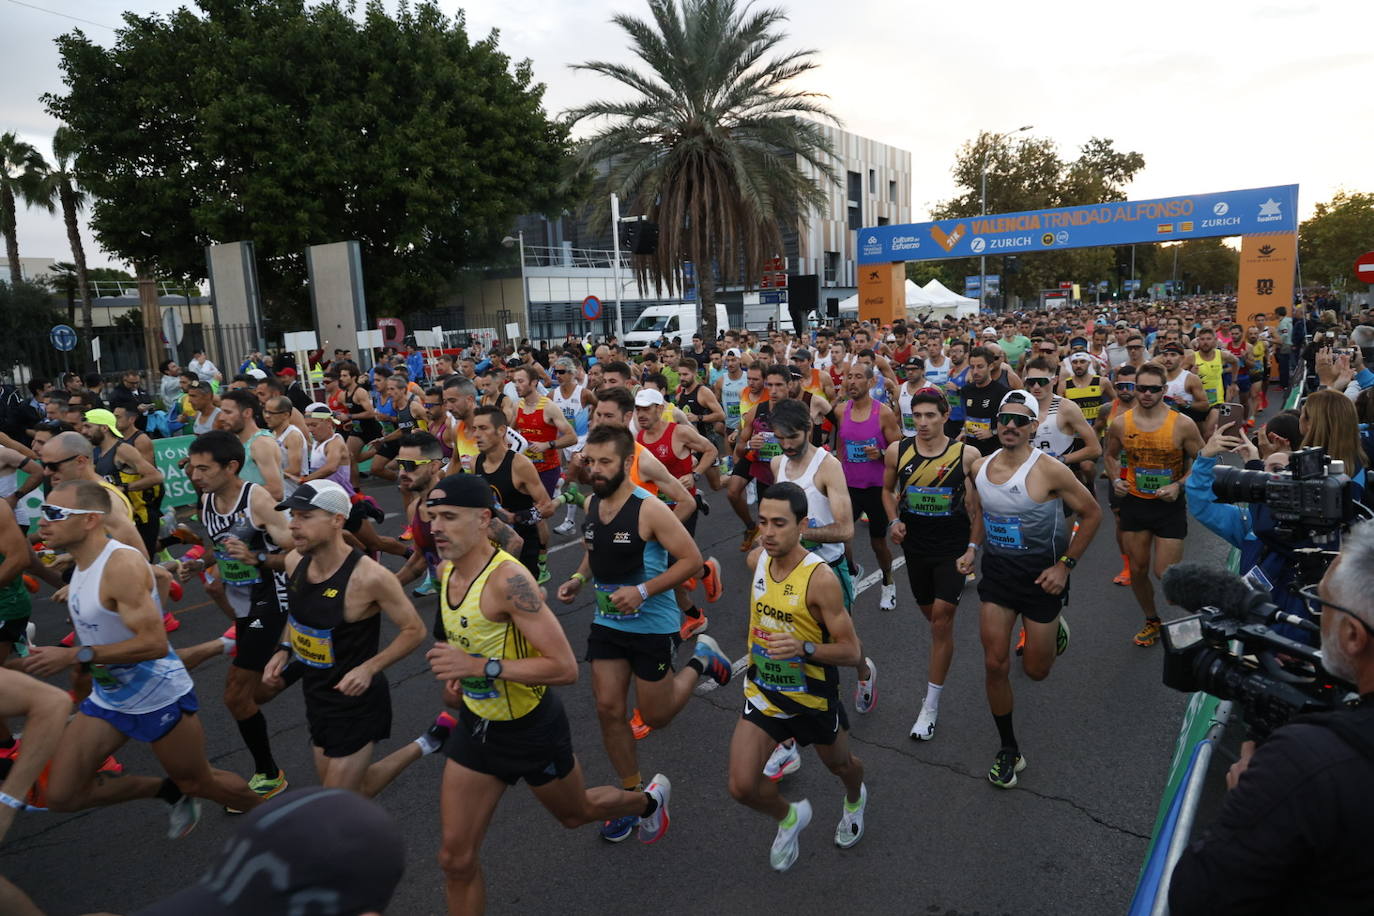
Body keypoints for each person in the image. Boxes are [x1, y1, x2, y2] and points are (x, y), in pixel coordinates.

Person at [424, 473, 672, 915]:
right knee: (454, 859)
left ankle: (647, 801)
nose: (436, 527)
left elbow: (562, 667)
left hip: (531, 730)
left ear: (483, 520)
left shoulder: (508, 582)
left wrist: (482, 667)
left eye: (448, 516)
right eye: (432, 517)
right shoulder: (445, 573)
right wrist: (459, 677)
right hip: (478, 727)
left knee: (575, 815)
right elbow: (466, 644)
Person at [23, 480, 262, 834]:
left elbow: (152, 643)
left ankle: (284, 820)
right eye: (43, 512)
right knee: (62, 795)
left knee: (200, 782)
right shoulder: (83, 562)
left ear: (90, 520)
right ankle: (167, 791)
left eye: (55, 514)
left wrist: (77, 655)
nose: (43, 523)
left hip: (157, 696)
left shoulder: (119, 566)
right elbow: (155, 577)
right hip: (110, 697)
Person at [1168, 521, 1374, 915]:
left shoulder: (1304, 763)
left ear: (1353, 635)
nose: (1316, 615)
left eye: (1321, 603)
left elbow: (1198, 896)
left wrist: (1254, 795)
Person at [555, 425, 732, 843]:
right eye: (591, 461)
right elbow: (594, 552)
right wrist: (579, 580)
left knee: (656, 716)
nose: (596, 470)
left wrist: (643, 590)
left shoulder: (648, 507)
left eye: (606, 462)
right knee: (607, 708)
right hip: (608, 623)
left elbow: (690, 561)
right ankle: (634, 797)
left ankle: (702, 658)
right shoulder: (594, 503)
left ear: (626, 463)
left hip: (653, 623)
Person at [262, 480, 444, 797]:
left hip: (358, 703)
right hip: (317, 695)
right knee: (354, 790)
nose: (293, 525)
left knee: (335, 802)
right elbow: (298, 616)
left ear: (336, 520)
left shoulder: (370, 577)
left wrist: (369, 668)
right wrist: (283, 649)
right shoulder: (294, 562)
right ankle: (426, 743)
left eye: (305, 516)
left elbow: (414, 630)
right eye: (293, 516)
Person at [727, 482, 867, 871]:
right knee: (740, 785)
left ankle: (855, 798)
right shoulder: (757, 561)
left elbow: (851, 651)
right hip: (764, 691)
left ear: (802, 525)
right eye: (762, 522)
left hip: (813, 697)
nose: (768, 533)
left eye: (779, 524)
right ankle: (790, 817)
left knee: (841, 766)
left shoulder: (820, 579)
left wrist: (803, 648)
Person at [969, 391, 1100, 788]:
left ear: (1031, 428)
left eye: (1020, 420)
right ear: (996, 425)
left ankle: (1055, 626)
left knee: (1037, 671)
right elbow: (980, 513)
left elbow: (1092, 513)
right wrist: (972, 548)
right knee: (995, 663)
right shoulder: (979, 465)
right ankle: (1009, 748)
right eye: (1004, 419)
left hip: (1043, 579)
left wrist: (1065, 566)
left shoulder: (1051, 470)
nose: (1010, 426)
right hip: (997, 577)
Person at [183, 430, 294, 807]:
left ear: (231, 466)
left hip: (275, 599)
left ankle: (268, 774)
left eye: (203, 468)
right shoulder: (208, 500)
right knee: (257, 692)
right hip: (245, 602)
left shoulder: (257, 499)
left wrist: (256, 557)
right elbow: (222, 544)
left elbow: (296, 546)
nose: (195, 475)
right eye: (191, 467)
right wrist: (200, 562)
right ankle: (307, 662)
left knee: (235, 694)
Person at [883, 388, 980, 740]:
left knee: (940, 622)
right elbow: (886, 491)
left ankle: (930, 706)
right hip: (915, 548)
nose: (922, 423)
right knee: (933, 617)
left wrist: (972, 548)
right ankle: (944, 639)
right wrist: (894, 521)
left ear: (944, 416)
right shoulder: (899, 450)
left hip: (952, 549)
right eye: (916, 416)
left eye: (930, 416)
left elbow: (979, 508)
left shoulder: (965, 455)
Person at [1104, 362, 1204, 648]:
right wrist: (1115, 480)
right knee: (1137, 569)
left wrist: (1179, 485)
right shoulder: (1122, 423)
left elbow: (1203, 462)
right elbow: (1110, 455)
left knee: (1166, 574)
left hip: (1169, 505)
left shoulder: (1182, 424)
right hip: (1135, 502)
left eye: (1153, 389)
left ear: (1164, 390)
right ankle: (1151, 620)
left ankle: (1201, 618)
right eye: (1141, 388)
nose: (1146, 394)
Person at [834, 361, 901, 615]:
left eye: (858, 377)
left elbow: (898, 449)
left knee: (878, 543)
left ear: (871, 382)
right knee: (842, 536)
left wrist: (882, 453)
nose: (851, 381)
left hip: (877, 488)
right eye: (849, 377)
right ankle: (851, 571)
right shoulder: (841, 410)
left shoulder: (882, 413)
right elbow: (841, 442)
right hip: (849, 485)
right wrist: (839, 466)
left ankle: (888, 580)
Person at [469, 406, 560, 578]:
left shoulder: (519, 464)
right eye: (475, 428)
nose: (476, 435)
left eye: (483, 428)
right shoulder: (475, 462)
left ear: (501, 430)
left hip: (523, 550)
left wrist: (517, 518)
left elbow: (547, 507)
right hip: (491, 548)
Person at [81, 408, 165, 555]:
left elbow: (156, 477)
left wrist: (124, 488)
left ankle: (176, 559)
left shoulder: (123, 450)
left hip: (140, 517)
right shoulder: (95, 452)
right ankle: (175, 539)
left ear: (104, 428)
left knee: (141, 567)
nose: (83, 431)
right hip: (117, 518)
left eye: (88, 426)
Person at [218, 389, 285, 502]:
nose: (221, 418)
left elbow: (276, 492)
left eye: (228, 412)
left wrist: (231, 494)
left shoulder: (260, 444)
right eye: (221, 412)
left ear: (247, 413)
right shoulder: (238, 441)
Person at [959, 346, 1012, 457]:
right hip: (970, 451)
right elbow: (966, 417)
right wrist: (963, 431)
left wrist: (992, 432)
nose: (975, 372)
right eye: (972, 367)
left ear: (991, 366)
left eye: (980, 367)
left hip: (994, 452)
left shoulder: (1003, 393)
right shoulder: (966, 390)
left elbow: (1010, 424)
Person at [263, 395, 307, 497]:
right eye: (265, 411)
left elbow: (295, 470)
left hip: (291, 494)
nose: (267, 416)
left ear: (286, 415)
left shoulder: (293, 435)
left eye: (271, 413)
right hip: (278, 492)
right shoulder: (272, 433)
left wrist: (265, 475)